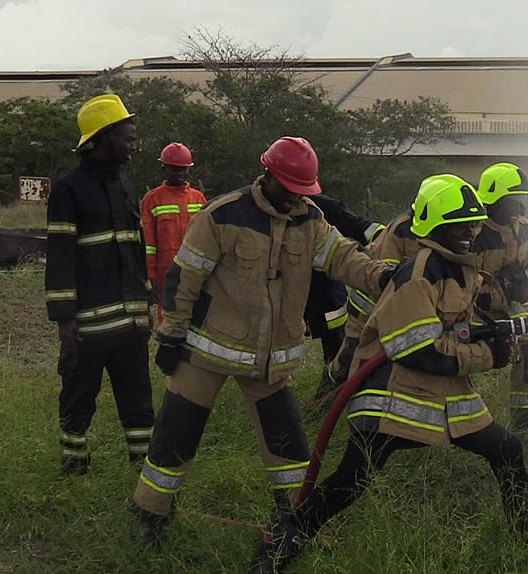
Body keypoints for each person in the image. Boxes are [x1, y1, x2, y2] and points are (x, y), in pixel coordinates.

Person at [250, 174, 528, 574]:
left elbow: (455, 325)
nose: (470, 234)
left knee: (508, 451)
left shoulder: (462, 268)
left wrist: (495, 333)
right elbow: (418, 351)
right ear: (435, 227)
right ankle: (276, 551)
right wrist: (486, 355)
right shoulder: (419, 273)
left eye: (473, 226)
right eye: (460, 227)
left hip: (448, 394)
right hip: (394, 395)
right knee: (348, 484)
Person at [128, 137, 393, 545]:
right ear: (268, 176)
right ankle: (151, 512)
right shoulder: (222, 215)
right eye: (290, 189)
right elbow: (185, 277)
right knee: (175, 435)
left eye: (304, 192)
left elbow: (343, 257)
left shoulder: (310, 220)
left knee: (289, 445)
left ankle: (294, 519)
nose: (296, 199)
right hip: (205, 353)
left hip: (269, 364)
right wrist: (171, 335)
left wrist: (382, 277)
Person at [45, 94, 155, 475]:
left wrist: (146, 305)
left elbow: (136, 249)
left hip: (129, 324)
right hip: (87, 328)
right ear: (104, 138)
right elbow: (59, 255)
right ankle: (75, 469)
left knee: (139, 400)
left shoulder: (125, 184)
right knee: (78, 399)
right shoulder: (68, 189)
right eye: (127, 137)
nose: (133, 145)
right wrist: (64, 320)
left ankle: (142, 469)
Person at [473, 162, 528, 430]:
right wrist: (503, 286)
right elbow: (468, 287)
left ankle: (527, 422)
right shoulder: (475, 233)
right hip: (479, 311)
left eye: (523, 200)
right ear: (493, 200)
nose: (521, 208)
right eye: (515, 200)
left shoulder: (525, 228)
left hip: (514, 306)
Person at [321, 207, 420, 400]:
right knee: (347, 365)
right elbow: (385, 281)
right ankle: (319, 409)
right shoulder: (402, 230)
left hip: (396, 315)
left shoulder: (442, 233)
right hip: (366, 314)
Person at [302, 191, 385, 394]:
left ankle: (328, 399)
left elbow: (364, 228)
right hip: (292, 298)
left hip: (326, 298)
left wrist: (390, 242)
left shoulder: (326, 208)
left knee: (338, 355)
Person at [140, 142, 206, 324]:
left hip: (194, 269)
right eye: (174, 168)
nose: (179, 173)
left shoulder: (198, 198)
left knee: (195, 316)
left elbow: (206, 237)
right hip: (164, 271)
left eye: (183, 169)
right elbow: (149, 243)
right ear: (164, 168)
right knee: (168, 319)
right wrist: (150, 274)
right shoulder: (152, 199)